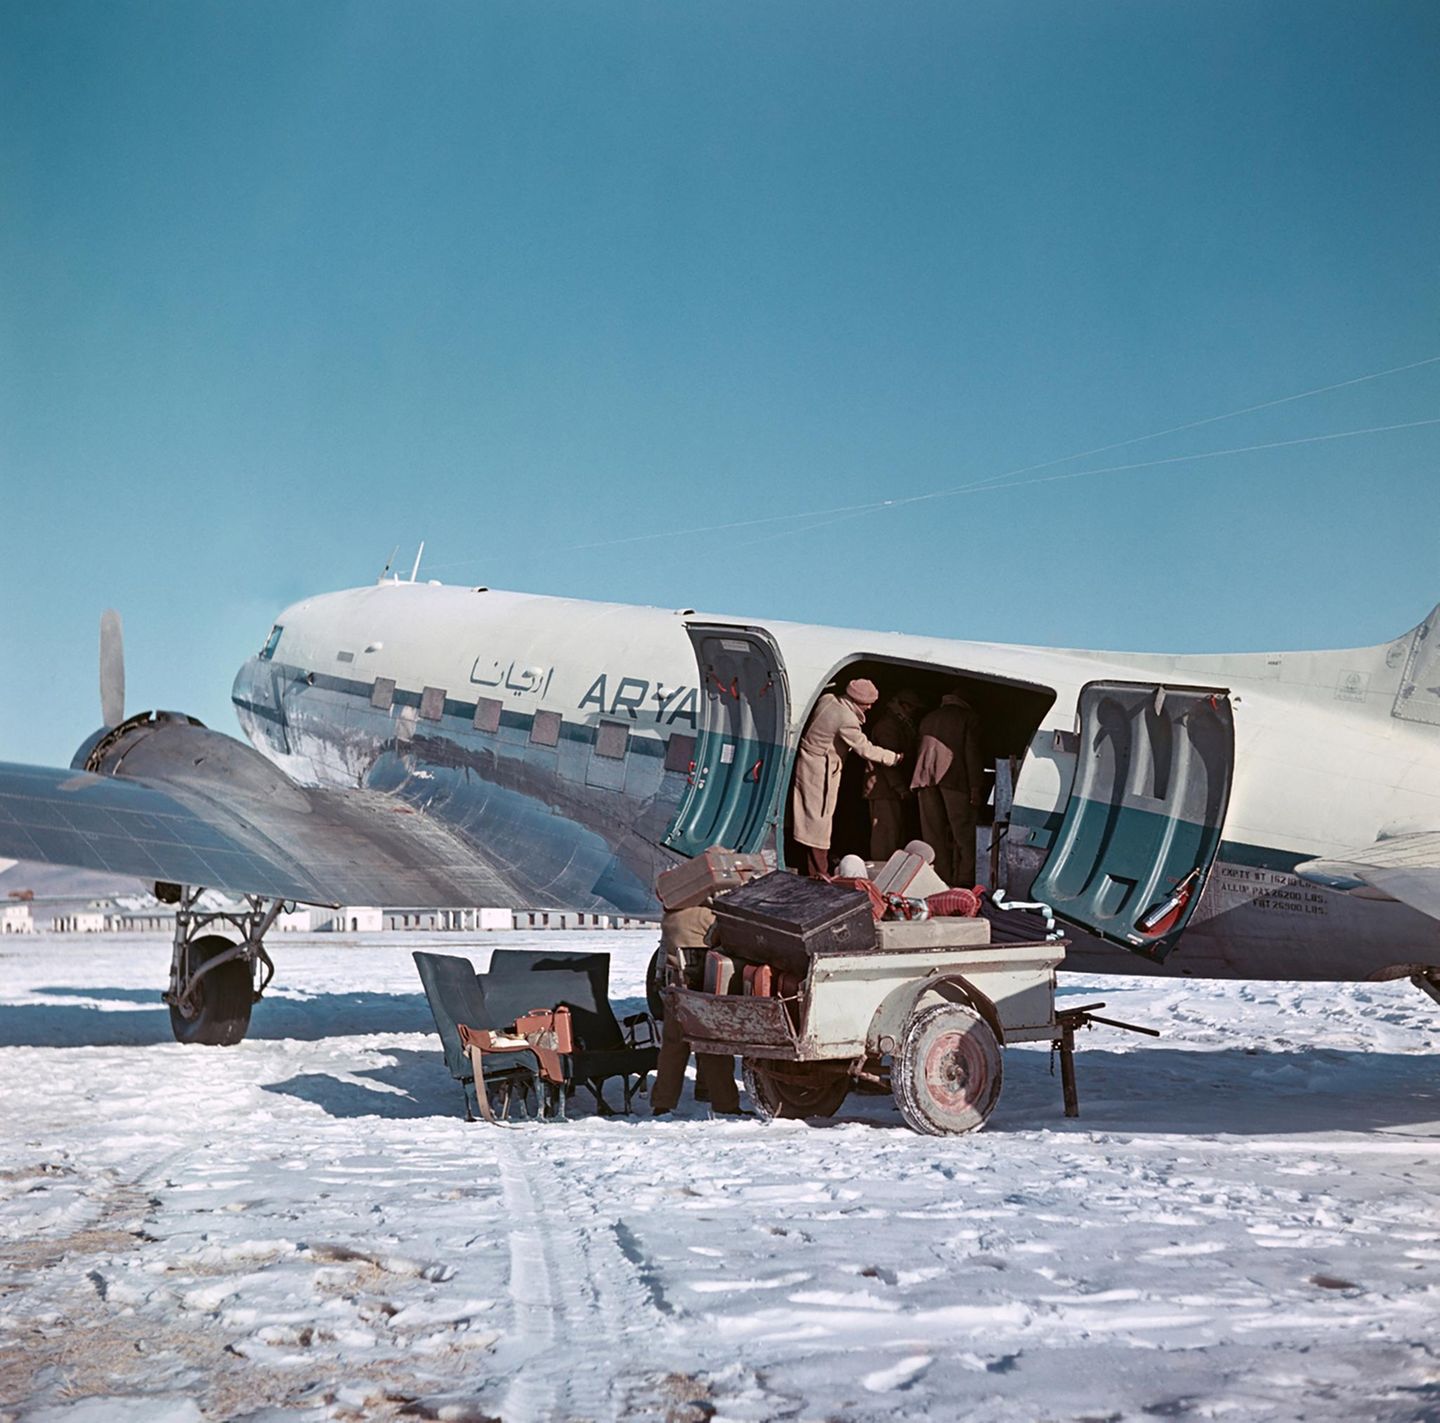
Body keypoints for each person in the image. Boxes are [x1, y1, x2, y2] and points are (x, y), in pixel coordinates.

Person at [791, 678, 903, 878]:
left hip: (809, 766)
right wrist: (894, 758)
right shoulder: (846, 719)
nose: (869, 707)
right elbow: (865, 748)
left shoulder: (828, 700)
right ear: (857, 701)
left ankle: (809, 867)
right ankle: (819, 873)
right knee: (819, 824)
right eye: (867, 703)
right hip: (821, 773)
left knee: (808, 820)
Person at [650, 899, 742, 1116]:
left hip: (676, 986)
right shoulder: (710, 916)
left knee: (673, 1047)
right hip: (703, 987)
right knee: (713, 1044)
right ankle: (725, 1104)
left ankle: (662, 1103)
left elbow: (663, 952)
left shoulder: (671, 915)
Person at [910, 686, 985, 887]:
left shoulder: (929, 717)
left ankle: (937, 879)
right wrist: (976, 787)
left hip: (924, 778)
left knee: (932, 833)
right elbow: (972, 753)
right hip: (955, 779)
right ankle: (964, 880)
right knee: (964, 833)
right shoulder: (968, 718)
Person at [862, 688, 924, 861]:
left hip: (888, 789)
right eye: (912, 708)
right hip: (884, 789)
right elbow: (888, 762)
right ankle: (881, 872)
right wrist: (900, 788)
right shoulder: (888, 727)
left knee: (893, 832)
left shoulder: (899, 725)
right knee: (885, 834)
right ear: (904, 706)